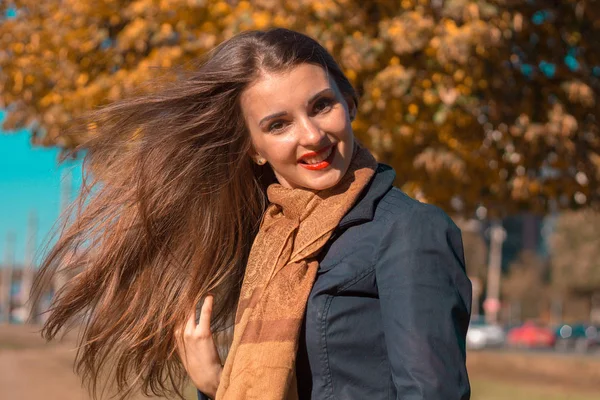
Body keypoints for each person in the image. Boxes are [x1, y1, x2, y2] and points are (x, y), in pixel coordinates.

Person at [33, 28, 472, 400]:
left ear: (349, 103)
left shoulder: (409, 230)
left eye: (322, 105)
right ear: (253, 149)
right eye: (278, 124)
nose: (312, 135)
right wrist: (214, 383)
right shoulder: (272, 241)